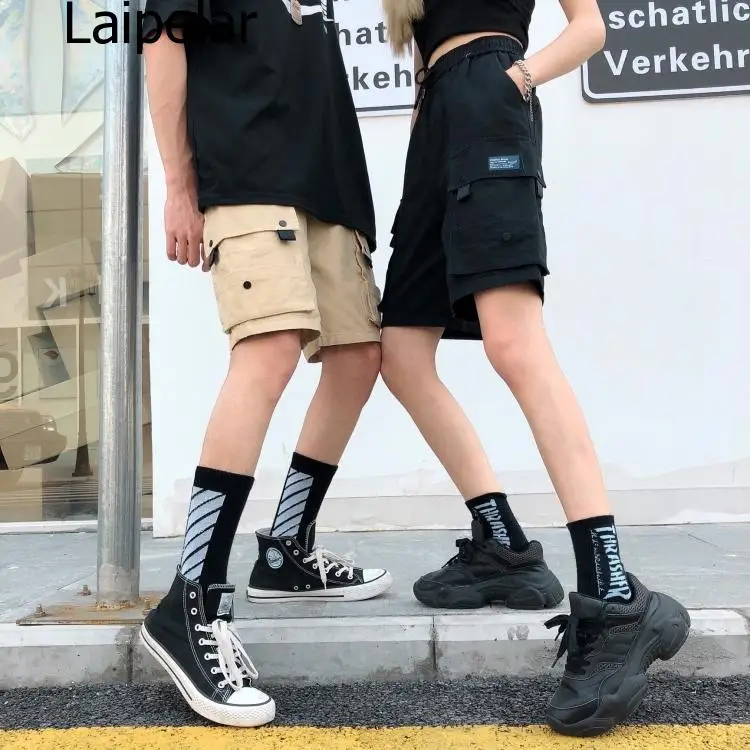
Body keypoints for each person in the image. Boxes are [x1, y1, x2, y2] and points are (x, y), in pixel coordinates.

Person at [379, 0, 690, 737]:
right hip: (436, 120)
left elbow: (590, 27)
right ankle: (504, 547)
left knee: (514, 344)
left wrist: (516, 78)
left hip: (489, 98)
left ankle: (614, 594)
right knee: (400, 353)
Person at [139, 0, 392, 727]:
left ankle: (286, 549)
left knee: (358, 357)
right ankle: (191, 598)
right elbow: (162, 36)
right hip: (249, 170)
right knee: (270, 349)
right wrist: (180, 185)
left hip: (328, 181)